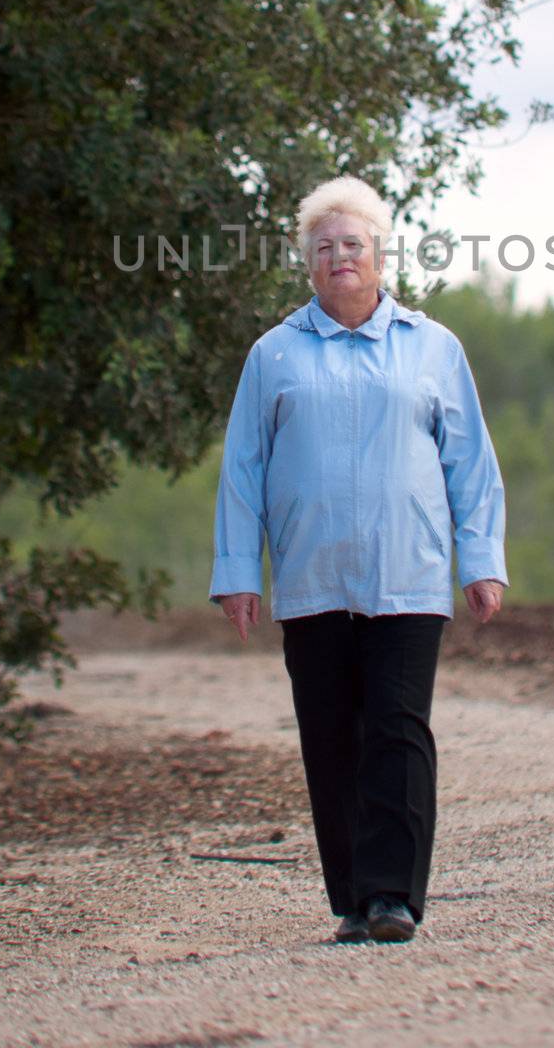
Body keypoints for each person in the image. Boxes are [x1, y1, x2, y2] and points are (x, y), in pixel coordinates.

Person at [209, 177, 508, 944]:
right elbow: (243, 469)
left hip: (407, 573)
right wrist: (238, 571)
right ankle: (351, 897)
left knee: (398, 729)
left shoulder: (433, 349)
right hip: (312, 580)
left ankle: (392, 898)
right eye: (324, 247)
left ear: (379, 254)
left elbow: (469, 463)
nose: (339, 257)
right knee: (330, 735)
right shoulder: (273, 355)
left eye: (353, 244)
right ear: (307, 264)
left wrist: (480, 559)